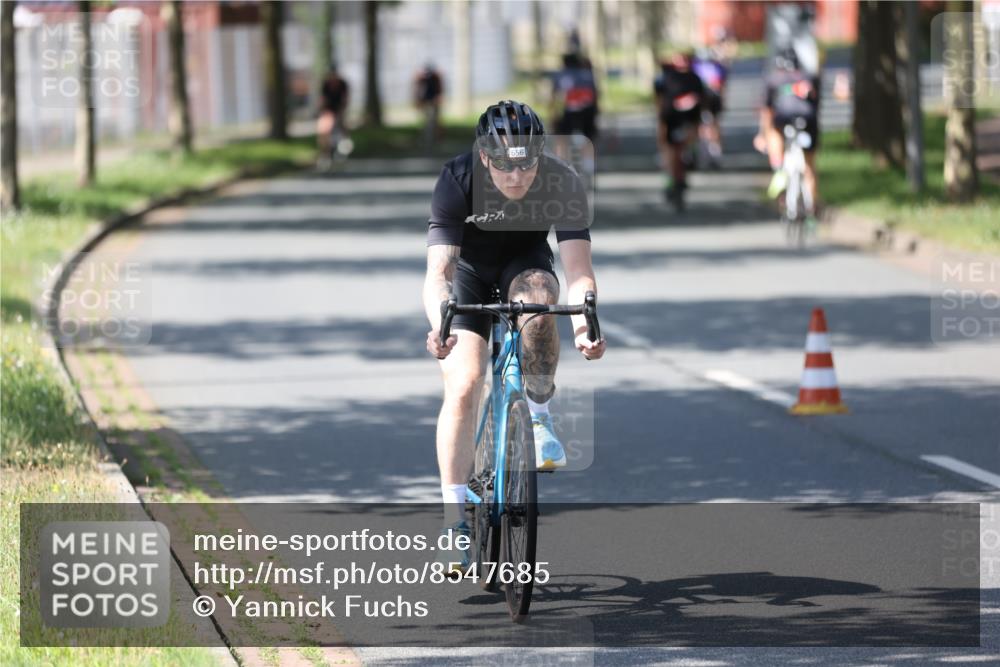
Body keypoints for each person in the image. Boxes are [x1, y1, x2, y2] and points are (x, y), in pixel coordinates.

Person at [423, 100, 606, 571]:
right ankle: (454, 520)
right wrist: (439, 324)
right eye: (503, 163)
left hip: (525, 264)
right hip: (468, 272)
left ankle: (540, 416)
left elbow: (579, 272)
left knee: (541, 302)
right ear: (484, 156)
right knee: (463, 382)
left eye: (525, 163)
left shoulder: (561, 179)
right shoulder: (457, 178)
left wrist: (585, 326)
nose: (515, 175)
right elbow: (438, 272)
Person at [754, 48, 821, 226]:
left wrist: (762, 135)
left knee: (773, 133)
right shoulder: (809, 77)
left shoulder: (773, 79)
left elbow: (767, 111)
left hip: (782, 119)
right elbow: (816, 105)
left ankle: (778, 167)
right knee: (809, 167)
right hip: (808, 122)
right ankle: (812, 208)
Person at [654, 51, 704, 208]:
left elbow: (701, 100)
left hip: (689, 121)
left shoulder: (695, 78)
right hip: (670, 120)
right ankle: (671, 181)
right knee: (670, 152)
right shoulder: (665, 78)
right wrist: (661, 121)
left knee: (683, 151)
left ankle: (682, 174)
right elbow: (659, 100)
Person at [551, 53, 599, 175]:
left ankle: (561, 163)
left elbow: (555, 97)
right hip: (587, 111)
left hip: (568, 111)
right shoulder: (588, 75)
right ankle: (589, 164)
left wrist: (554, 114)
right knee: (588, 138)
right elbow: (595, 95)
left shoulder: (560, 75)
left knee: (561, 138)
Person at [692, 47, 728, 168]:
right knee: (707, 126)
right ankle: (709, 153)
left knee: (710, 126)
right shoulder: (697, 67)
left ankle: (713, 153)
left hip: (711, 100)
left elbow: (720, 85)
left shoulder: (716, 67)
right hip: (704, 100)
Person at [316, 65, 351, 169]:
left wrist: (341, 113)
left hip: (340, 109)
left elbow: (345, 99)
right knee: (323, 131)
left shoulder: (343, 84)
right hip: (328, 110)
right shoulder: (325, 85)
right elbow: (323, 99)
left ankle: (343, 148)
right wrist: (322, 111)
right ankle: (325, 154)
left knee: (342, 126)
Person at [413, 63, 444, 149]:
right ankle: (427, 139)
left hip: (432, 102)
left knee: (434, 122)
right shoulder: (422, 78)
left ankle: (435, 140)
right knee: (426, 122)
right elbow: (418, 91)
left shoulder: (435, 78)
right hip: (426, 102)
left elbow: (439, 90)